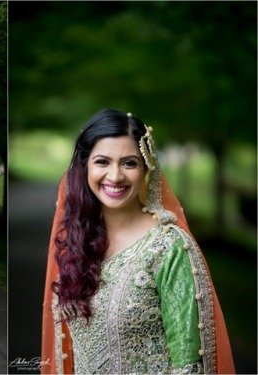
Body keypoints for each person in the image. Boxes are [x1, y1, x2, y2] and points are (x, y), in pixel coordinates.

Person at [41, 109, 235, 374]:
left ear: (146, 168)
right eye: (102, 162)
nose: (115, 176)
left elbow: (190, 365)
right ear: (85, 166)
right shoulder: (77, 241)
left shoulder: (168, 247)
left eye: (129, 163)